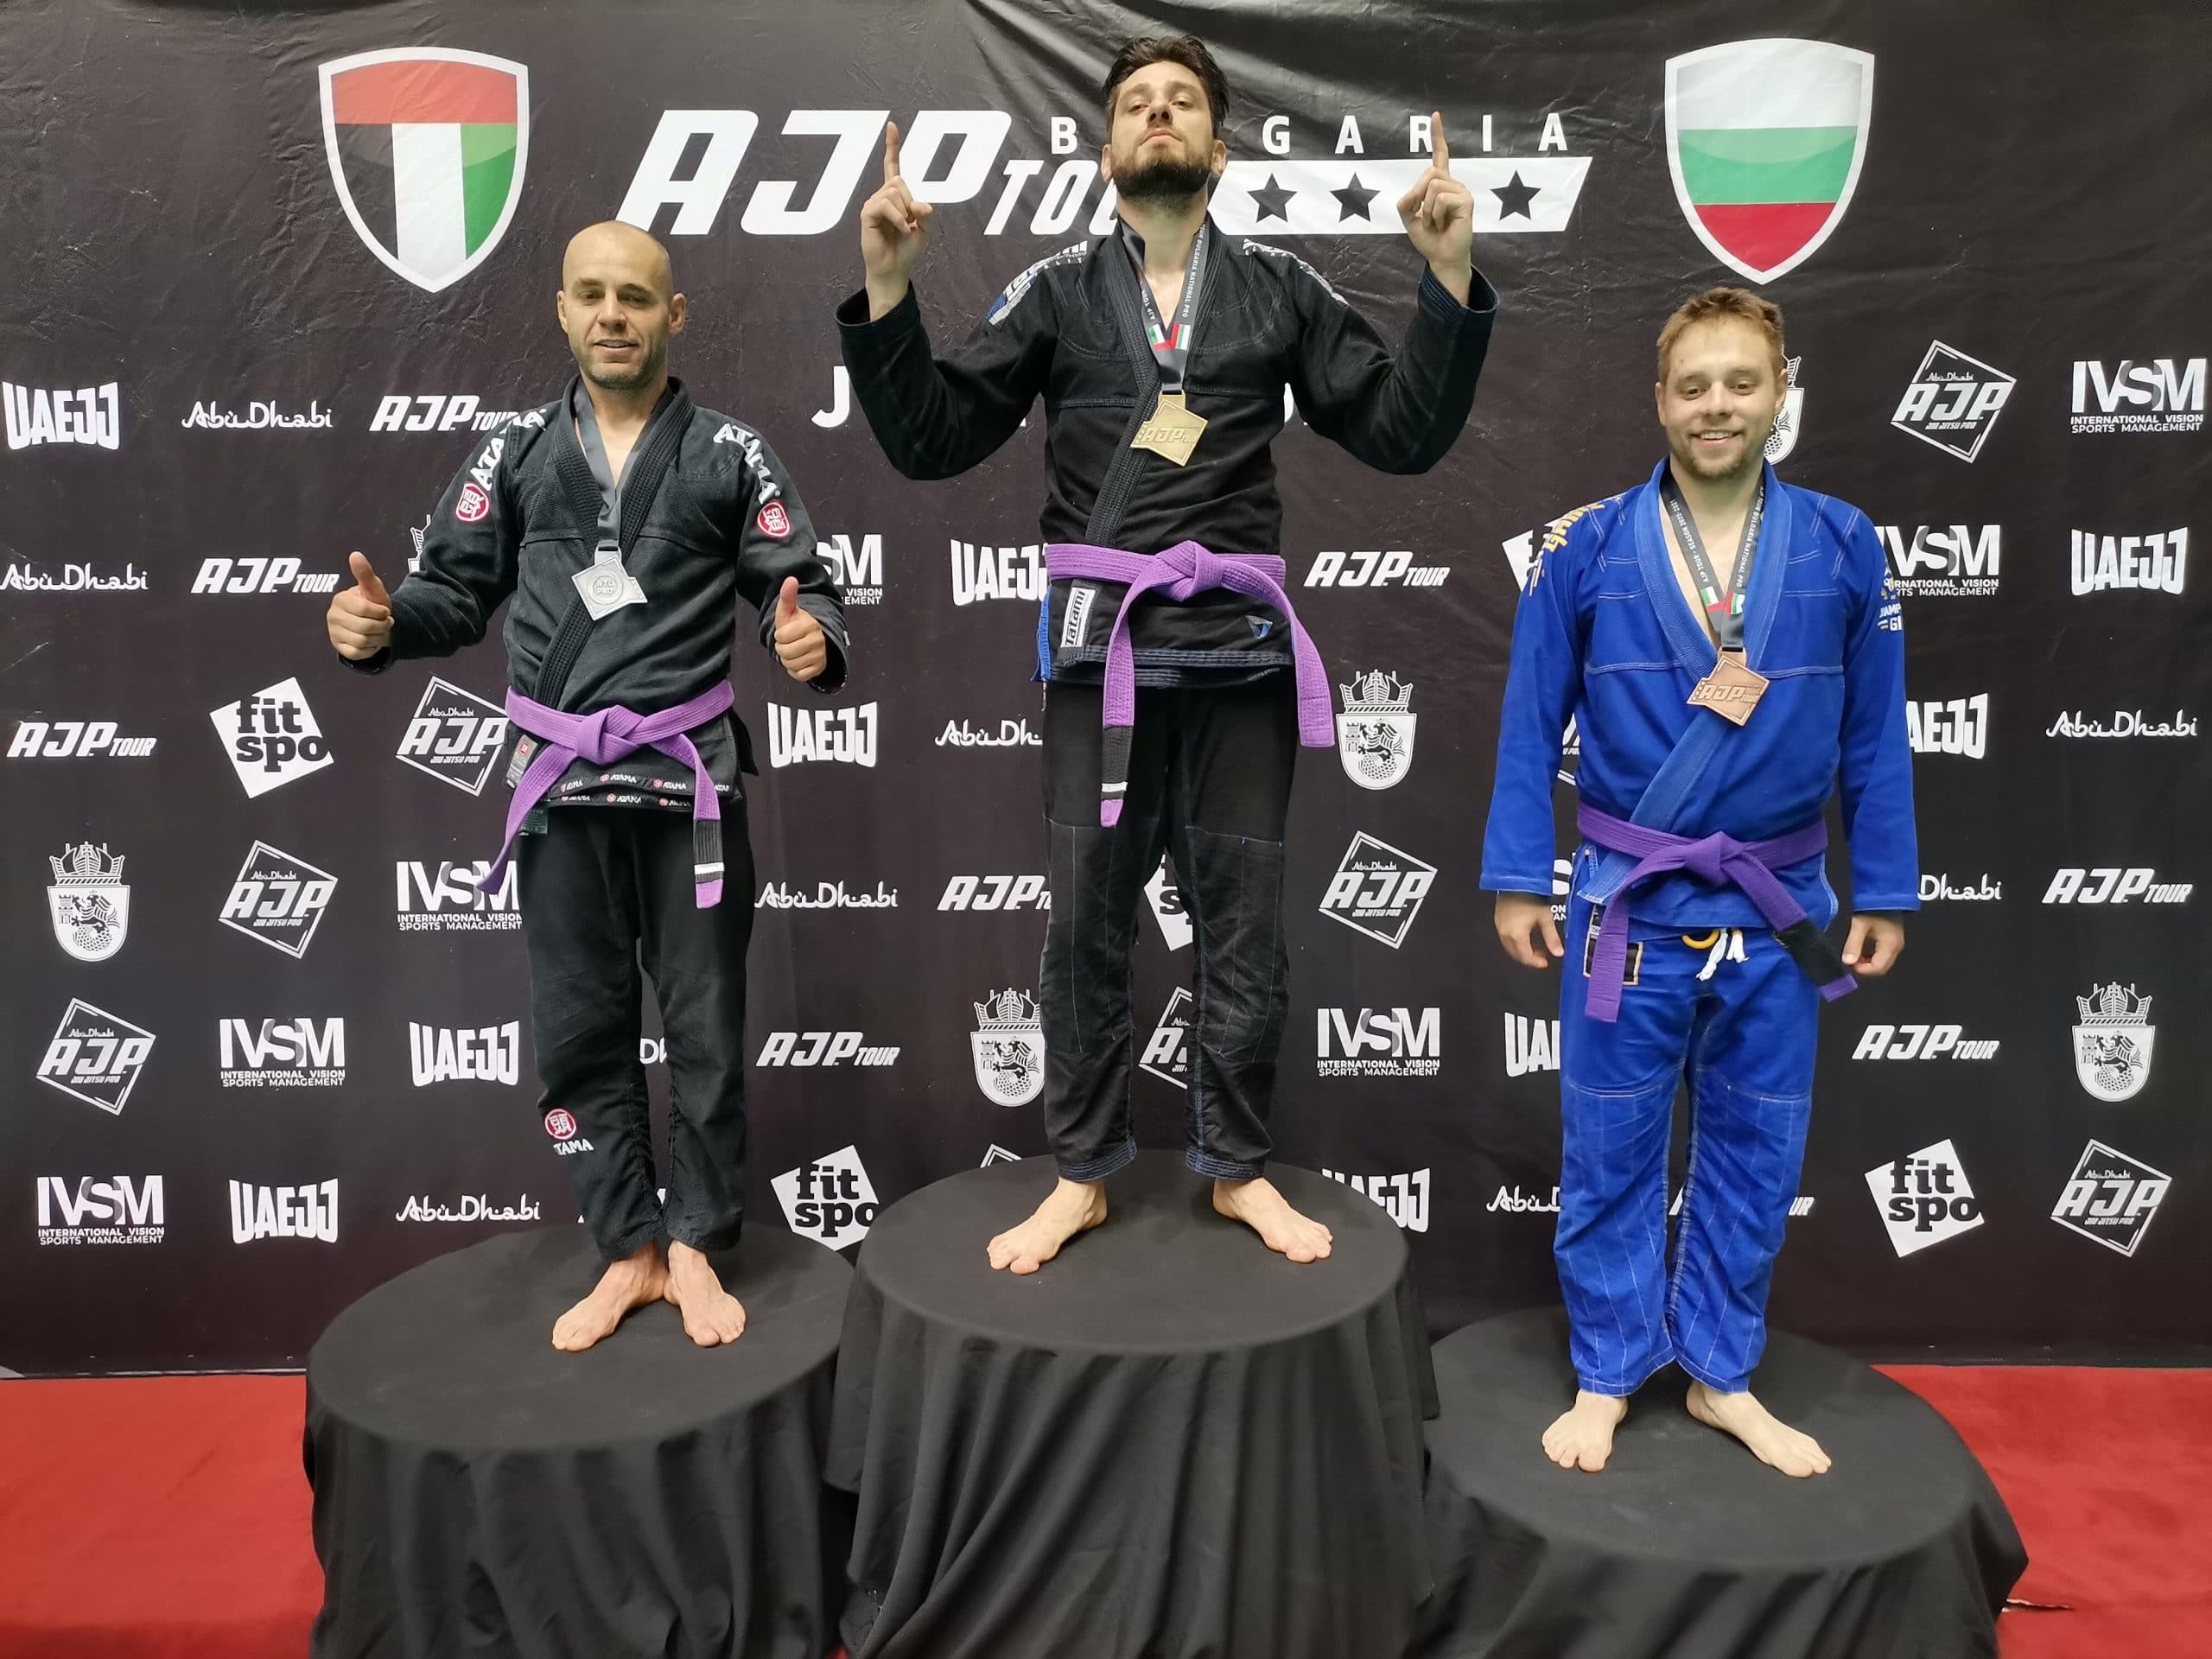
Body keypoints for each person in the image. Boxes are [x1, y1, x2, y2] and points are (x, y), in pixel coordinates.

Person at [840, 34, 1495, 1273]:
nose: (1158, 115)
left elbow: (1401, 433)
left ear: (1218, 150)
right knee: (1084, 930)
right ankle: (1081, 1173)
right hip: (1103, 661)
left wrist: (1449, 276)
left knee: (1243, 930)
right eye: (1136, 103)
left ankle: (1237, 1169)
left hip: (1238, 660)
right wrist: (887, 287)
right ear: (1104, 154)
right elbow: (930, 440)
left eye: (1182, 102)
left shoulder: (1280, 289)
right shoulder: (1054, 292)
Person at [326, 221, 849, 1351]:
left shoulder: (731, 453)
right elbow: (449, 595)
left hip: (687, 784)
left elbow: (801, 588)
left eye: (637, 297)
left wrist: (811, 640)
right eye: (593, 295)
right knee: (577, 1037)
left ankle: (697, 1242)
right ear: (562, 310)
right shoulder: (514, 452)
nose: (614, 314)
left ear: (674, 315)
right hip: (560, 790)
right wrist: (381, 626)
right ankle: (626, 1247)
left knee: (706, 1032)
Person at [1482, 287, 1915, 1477]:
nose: (1717, 405)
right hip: (1628, 900)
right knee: (1609, 1141)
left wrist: (1885, 888)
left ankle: (1722, 1373)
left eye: (1741, 382)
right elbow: (1528, 724)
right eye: (1694, 386)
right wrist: (1520, 876)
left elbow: (1876, 735)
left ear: (1780, 393)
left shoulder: (1843, 542)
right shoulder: (1582, 546)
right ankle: (1609, 1369)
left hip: (1780, 906)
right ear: (1659, 401)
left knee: (1757, 1148)